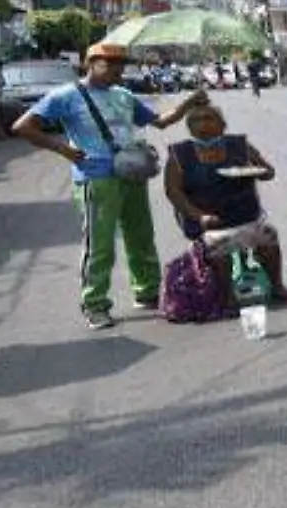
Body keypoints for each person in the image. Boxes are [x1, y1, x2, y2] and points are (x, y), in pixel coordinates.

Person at [12, 42, 207, 330]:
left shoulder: (124, 95)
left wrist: (190, 101)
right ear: (91, 64)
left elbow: (161, 122)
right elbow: (23, 126)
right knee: (100, 245)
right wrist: (64, 150)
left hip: (131, 174)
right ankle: (95, 304)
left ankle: (148, 291)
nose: (118, 69)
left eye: (121, 63)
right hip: (96, 178)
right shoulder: (66, 95)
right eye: (111, 63)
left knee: (140, 236)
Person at [163, 101, 287, 307]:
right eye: (196, 120)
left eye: (209, 118)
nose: (203, 124)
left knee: (268, 236)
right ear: (189, 127)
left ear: (222, 124)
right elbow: (173, 191)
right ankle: (228, 298)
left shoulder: (240, 146)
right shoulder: (180, 154)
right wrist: (199, 216)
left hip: (245, 216)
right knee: (219, 245)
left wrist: (261, 172)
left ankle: (277, 287)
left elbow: (268, 171)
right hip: (209, 222)